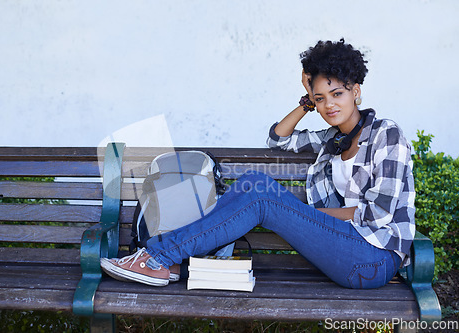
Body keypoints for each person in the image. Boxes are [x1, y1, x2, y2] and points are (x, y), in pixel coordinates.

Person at [101, 39, 415, 289]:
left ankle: (157, 257)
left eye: (337, 94)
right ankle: (166, 259)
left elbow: (378, 215)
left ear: (356, 92)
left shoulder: (387, 135)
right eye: (320, 98)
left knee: (260, 191)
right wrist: (305, 102)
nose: (329, 105)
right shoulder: (332, 140)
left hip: (372, 258)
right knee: (254, 184)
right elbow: (278, 139)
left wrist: (305, 215)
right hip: (344, 247)